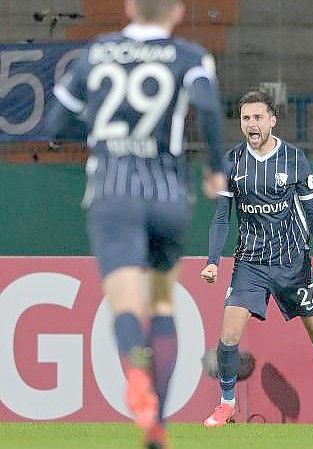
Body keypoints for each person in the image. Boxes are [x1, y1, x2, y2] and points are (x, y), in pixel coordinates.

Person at [44, 1, 227, 448]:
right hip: (167, 193)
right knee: (163, 304)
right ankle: (158, 427)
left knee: (126, 306)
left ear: (129, 7)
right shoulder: (190, 56)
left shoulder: (96, 53)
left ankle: (134, 372)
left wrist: (102, 128)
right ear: (178, 12)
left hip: (113, 192)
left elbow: (55, 122)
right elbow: (207, 107)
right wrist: (215, 168)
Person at [199, 90, 313, 429]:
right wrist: (213, 261)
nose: (251, 124)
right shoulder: (232, 162)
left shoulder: (294, 160)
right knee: (228, 337)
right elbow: (222, 218)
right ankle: (227, 406)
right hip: (249, 264)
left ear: (272, 120)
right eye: (245, 118)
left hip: (293, 263)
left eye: (257, 117)